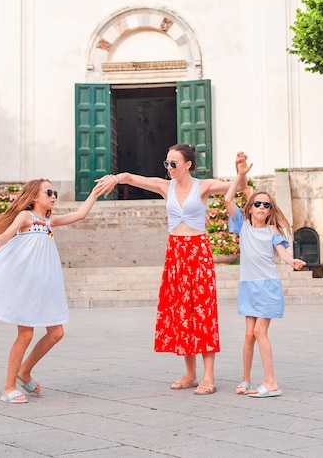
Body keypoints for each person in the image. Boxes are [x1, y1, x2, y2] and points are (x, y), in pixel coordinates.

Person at [96, 145, 249, 395]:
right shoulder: (164, 187)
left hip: (198, 253)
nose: (169, 168)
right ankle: (190, 373)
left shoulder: (204, 186)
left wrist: (241, 173)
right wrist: (115, 178)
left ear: (188, 164)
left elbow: (239, 187)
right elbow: (132, 178)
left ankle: (208, 376)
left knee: (202, 312)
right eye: (166, 164)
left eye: (174, 164)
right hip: (175, 253)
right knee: (181, 312)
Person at [0, 179, 102, 403]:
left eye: (54, 191)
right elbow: (7, 234)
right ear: (35, 197)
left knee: (56, 332)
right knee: (26, 334)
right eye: (48, 192)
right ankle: (8, 388)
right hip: (27, 284)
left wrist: (95, 193)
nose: (53, 195)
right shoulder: (26, 217)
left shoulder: (49, 222)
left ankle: (24, 371)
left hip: (46, 285)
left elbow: (79, 215)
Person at [224, 159, 306, 398]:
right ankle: (246, 380)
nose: (261, 207)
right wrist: (239, 175)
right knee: (248, 335)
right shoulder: (243, 226)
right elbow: (228, 200)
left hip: (267, 287)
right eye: (257, 204)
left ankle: (271, 382)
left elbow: (283, 253)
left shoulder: (273, 232)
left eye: (266, 205)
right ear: (249, 208)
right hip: (248, 287)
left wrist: (292, 261)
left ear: (270, 211)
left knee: (260, 333)